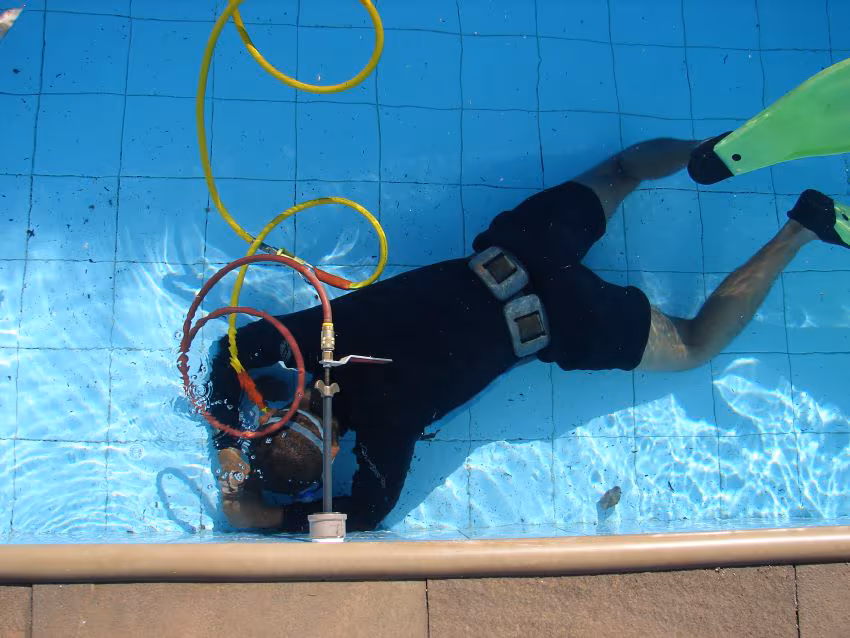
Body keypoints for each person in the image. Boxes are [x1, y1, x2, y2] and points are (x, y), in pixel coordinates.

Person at [205, 137, 845, 533]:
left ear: (335, 450)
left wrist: (270, 515)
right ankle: (712, 151)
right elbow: (224, 350)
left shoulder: (384, 435)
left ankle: (801, 227)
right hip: (519, 252)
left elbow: (365, 514)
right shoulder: (316, 338)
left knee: (697, 344)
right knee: (624, 168)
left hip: (560, 321)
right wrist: (229, 445)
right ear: (285, 397)